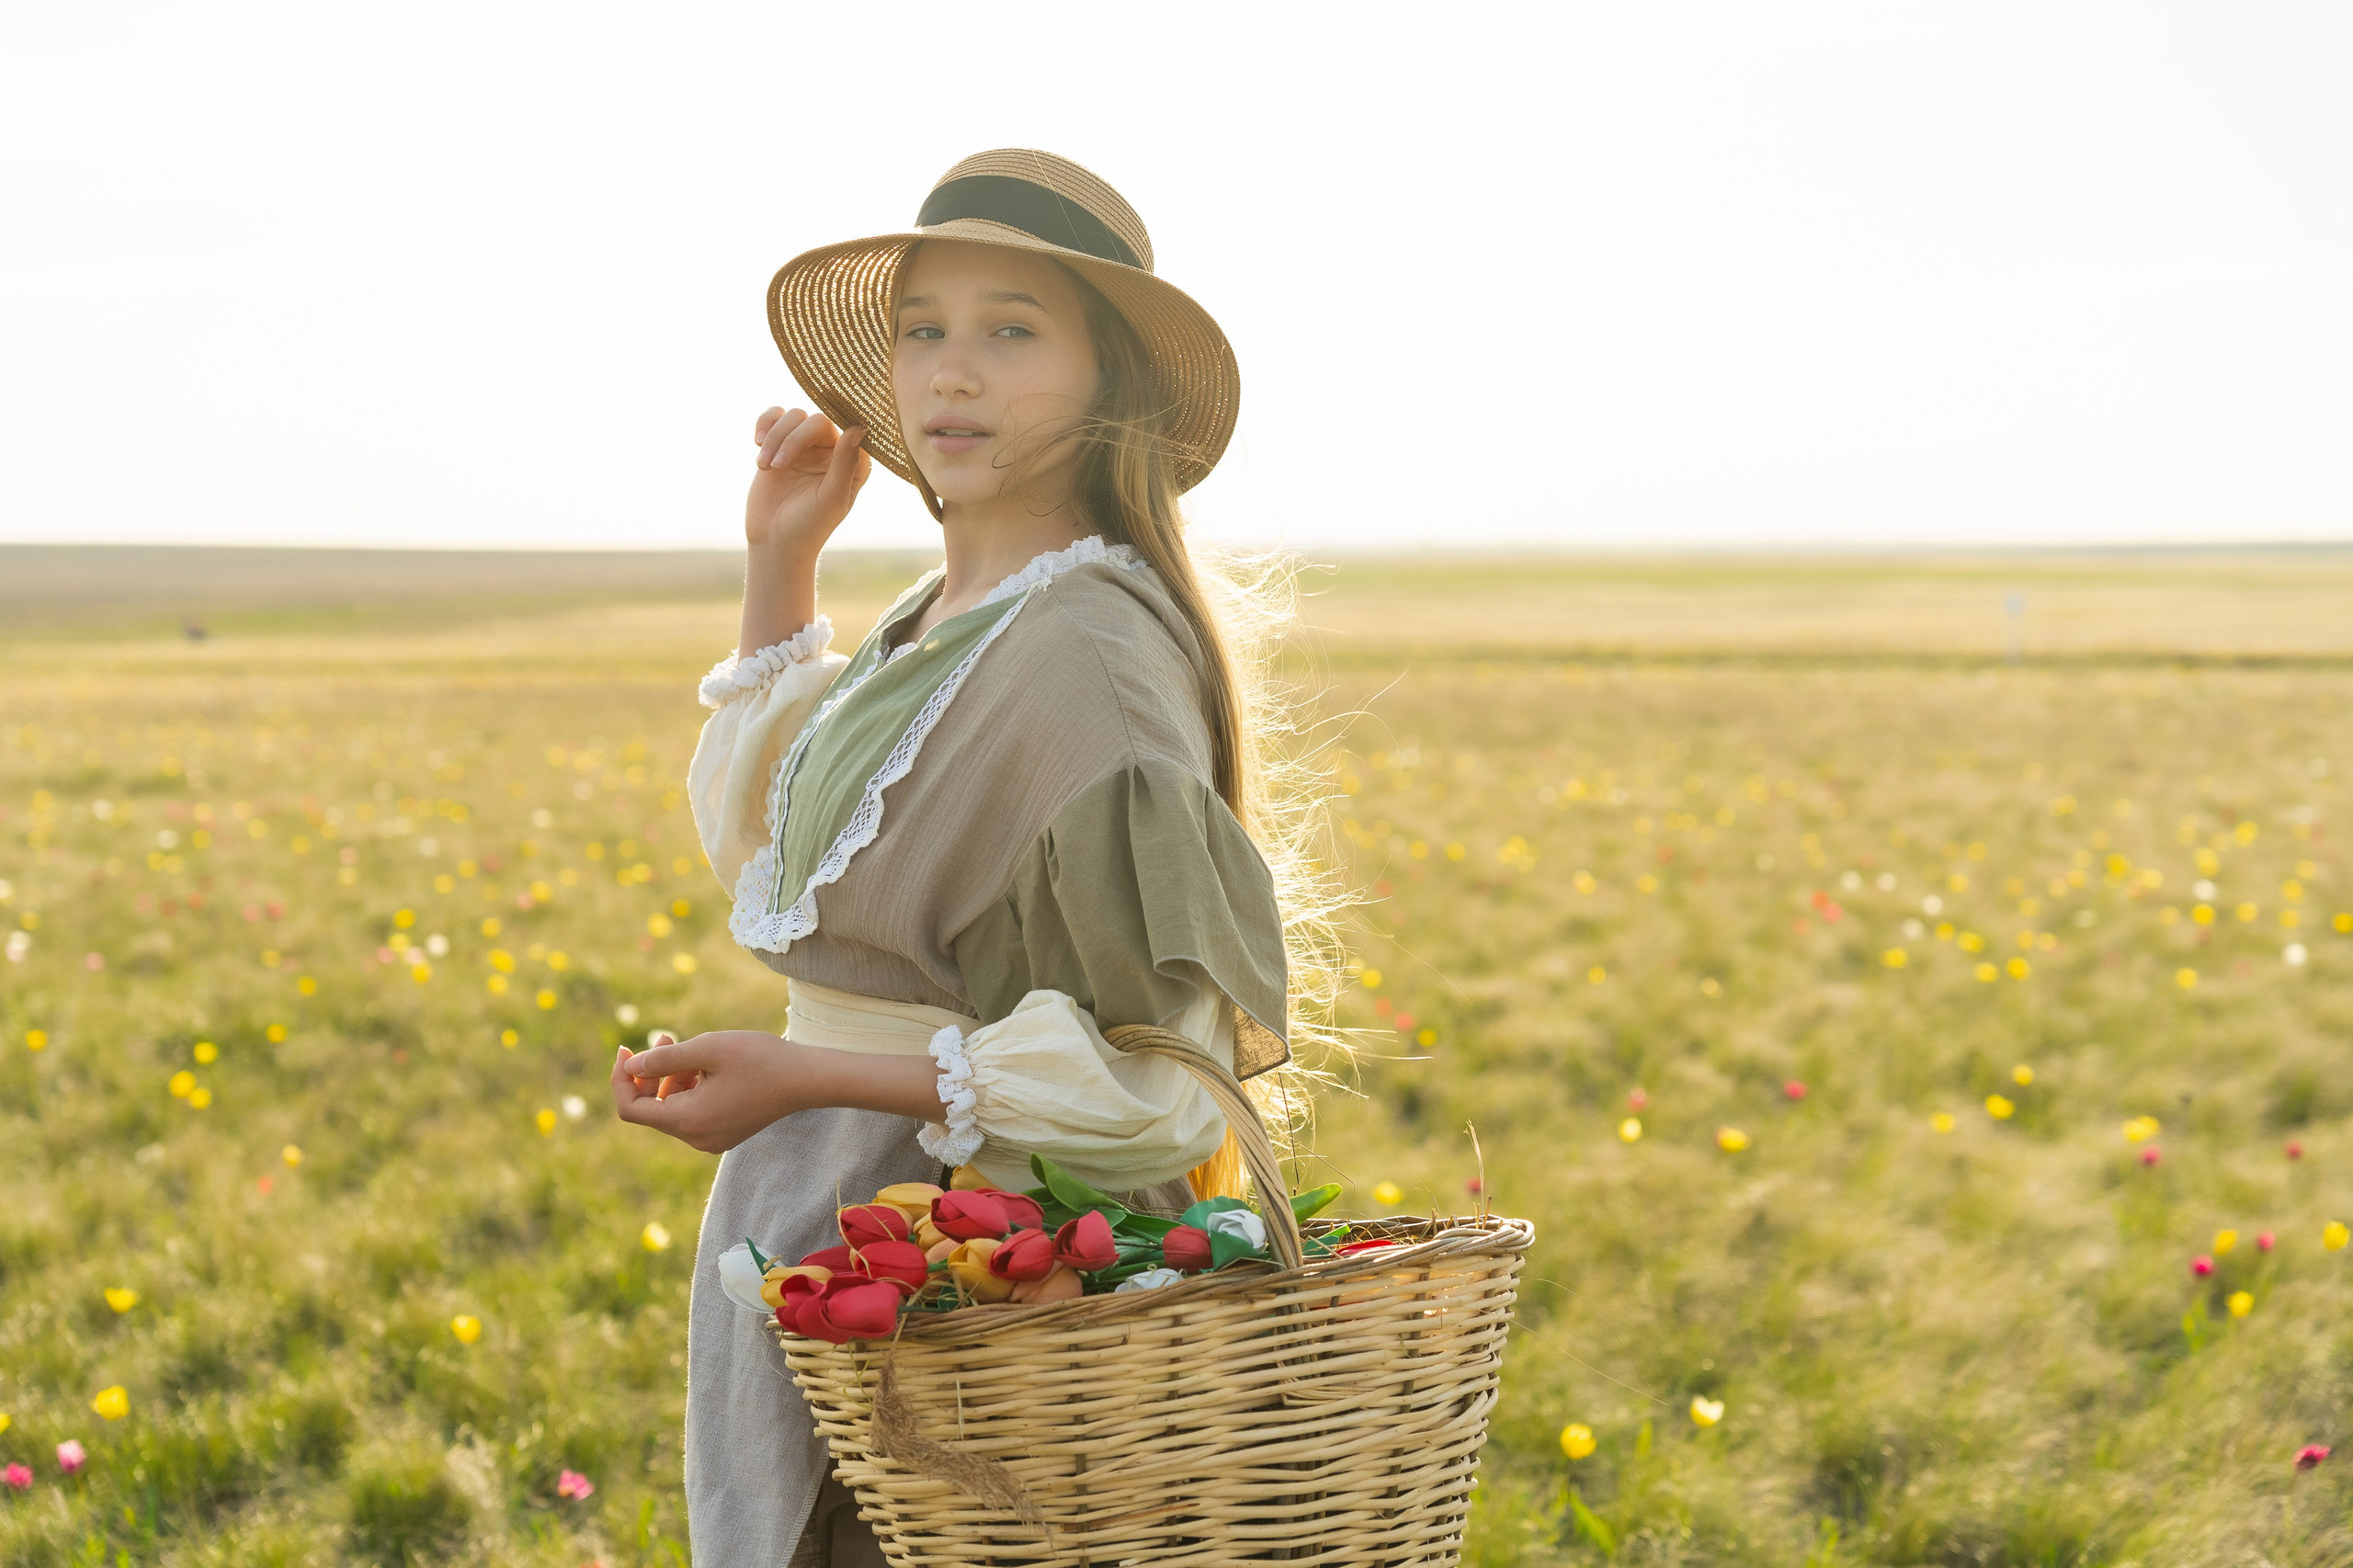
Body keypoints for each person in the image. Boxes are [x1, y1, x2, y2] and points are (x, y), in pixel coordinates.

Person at [607, 150, 1324, 1568]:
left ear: (1112, 381)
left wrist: (810, 1075)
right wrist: (780, 563)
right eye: (923, 327)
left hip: (979, 1305)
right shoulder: (944, 611)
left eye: (1012, 329)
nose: (952, 369)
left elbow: (1164, 1087)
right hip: (841, 1237)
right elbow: (787, 873)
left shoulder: (1089, 654)